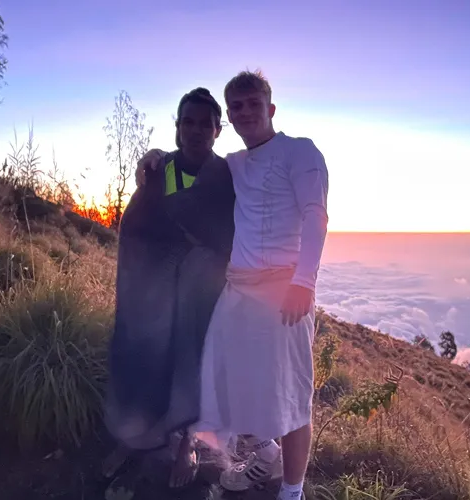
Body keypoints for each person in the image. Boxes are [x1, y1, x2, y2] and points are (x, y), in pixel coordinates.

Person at [136, 70, 329, 500]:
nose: (245, 113)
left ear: (270, 109)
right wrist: (151, 154)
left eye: (252, 104)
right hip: (237, 291)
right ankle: (265, 453)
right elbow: (187, 157)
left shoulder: (300, 153)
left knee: (293, 398)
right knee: (221, 380)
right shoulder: (233, 166)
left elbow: (317, 215)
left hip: (285, 292)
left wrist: (304, 281)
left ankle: (291, 492)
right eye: (236, 106)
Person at [103, 87, 236, 490]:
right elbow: (137, 229)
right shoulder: (161, 170)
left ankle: (187, 445)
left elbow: (226, 236)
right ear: (178, 128)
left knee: (192, 361)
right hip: (152, 289)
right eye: (188, 122)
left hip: (199, 291)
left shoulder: (225, 177)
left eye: (205, 124)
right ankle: (133, 439)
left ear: (217, 130)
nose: (196, 130)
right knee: (140, 357)